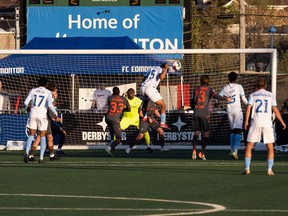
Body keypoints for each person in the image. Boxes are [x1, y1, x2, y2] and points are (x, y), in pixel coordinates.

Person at [243, 78, 286, 176]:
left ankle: (247, 168)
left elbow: (248, 108)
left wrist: (246, 121)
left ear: (257, 85)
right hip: (267, 123)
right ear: (265, 85)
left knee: (249, 146)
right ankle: (269, 169)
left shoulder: (252, 95)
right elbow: (275, 109)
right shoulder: (270, 95)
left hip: (255, 122)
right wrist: (282, 121)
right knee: (270, 147)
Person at [191, 75, 231, 160]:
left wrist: (194, 109)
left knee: (196, 133)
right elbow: (217, 96)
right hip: (204, 114)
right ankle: (202, 152)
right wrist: (226, 99)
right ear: (208, 81)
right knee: (206, 133)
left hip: (196, 113)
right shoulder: (210, 89)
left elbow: (192, 101)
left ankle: (194, 150)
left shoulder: (196, 89)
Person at [23, 77, 60, 163]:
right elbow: (50, 106)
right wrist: (56, 114)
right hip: (42, 116)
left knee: (32, 135)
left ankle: (27, 153)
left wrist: (27, 108)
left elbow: (25, 102)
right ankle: (41, 158)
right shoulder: (48, 92)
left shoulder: (33, 90)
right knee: (43, 136)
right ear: (46, 84)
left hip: (32, 114)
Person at [219, 72, 248, 160]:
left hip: (229, 110)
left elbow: (219, 97)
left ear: (228, 78)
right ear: (236, 78)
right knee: (238, 131)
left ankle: (231, 149)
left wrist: (218, 102)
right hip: (237, 110)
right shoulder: (239, 86)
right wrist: (249, 106)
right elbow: (243, 99)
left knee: (232, 130)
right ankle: (235, 150)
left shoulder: (225, 87)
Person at [120, 88, 152, 152]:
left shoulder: (138, 101)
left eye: (132, 93)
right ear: (127, 94)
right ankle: (114, 144)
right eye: (129, 94)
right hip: (126, 118)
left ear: (134, 94)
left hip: (136, 119)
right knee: (117, 129)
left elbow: (143, 109)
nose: (131, 95)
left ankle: (148, 146)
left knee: (145, 131)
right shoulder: (124, 100)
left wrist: (146, 117)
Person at [140, 63, 170, 129]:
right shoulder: (162, 69)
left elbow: (144, 78)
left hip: (142, 87)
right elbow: (161, 77)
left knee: (145, 102)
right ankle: (163, 123)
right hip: (150, 88)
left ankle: (144, 117)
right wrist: (166, 69)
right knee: (163, 105)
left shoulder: (152, 68)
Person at [104, 86, 130, 157]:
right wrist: (122, 110)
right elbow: (129, 109)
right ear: (119, 92)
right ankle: (110, 148)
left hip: (107, 118)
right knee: (119, 139)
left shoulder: (110, 98)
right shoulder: (124, 99)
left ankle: (112, 145)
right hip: (115, 119)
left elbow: (112, 102)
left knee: (111, 130)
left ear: (113, 92)